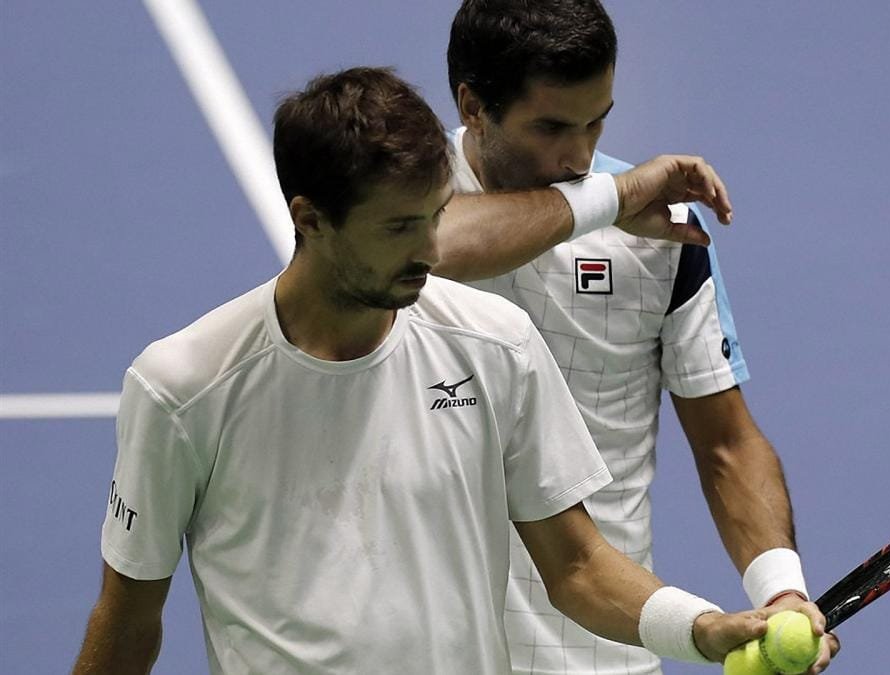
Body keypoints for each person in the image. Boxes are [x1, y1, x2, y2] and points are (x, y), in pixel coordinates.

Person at [71, 67, 785, 675]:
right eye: (397, 228)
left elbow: (577, 565)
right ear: (309, 217)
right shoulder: (183, 386)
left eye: (433, 217)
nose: (428, 249)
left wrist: (700, 626)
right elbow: (130, 617)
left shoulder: (495, 344)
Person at [431, 2, 842, 673]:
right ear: (473, 107)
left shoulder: (660, 237)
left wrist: (781, 588)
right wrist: (610, 200)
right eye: (552, 127)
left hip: (600, 651)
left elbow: (727, 444)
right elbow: (434, 244)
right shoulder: (398, 208)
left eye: (597, 122)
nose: (580, 154)